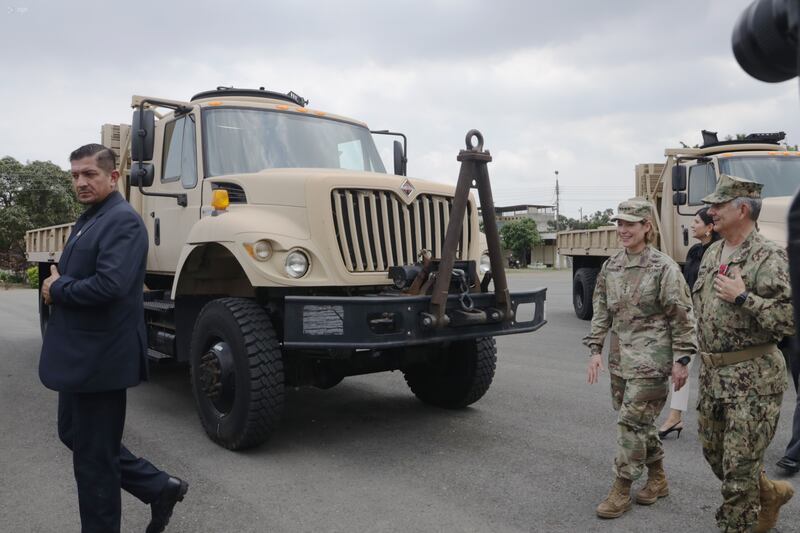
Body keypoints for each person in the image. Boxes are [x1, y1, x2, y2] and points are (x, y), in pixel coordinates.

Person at [39, 144, 188, 533]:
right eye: (74, 175)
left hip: (100, 359)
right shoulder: (91, 218)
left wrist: (58, 288)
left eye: (89, 174)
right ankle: (158, 486)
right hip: (80, 356)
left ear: (113, 177)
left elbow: (110, 285)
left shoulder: (122, 221)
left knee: (93, 463)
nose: (81, 182)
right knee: (73, 433)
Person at [693, 174, 794, 532]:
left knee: (737, 477)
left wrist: (744, 297)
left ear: (743, 209)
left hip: (753, 380)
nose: (711, 211)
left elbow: (790, 319)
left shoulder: (769, 257)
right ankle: (769, 493)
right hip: (713, 377)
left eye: (719, 205)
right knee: (717, 456)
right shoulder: (712, 254)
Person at [584, 197, 697, 519]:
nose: (622, 230)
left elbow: (681, 316)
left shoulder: (664, 268)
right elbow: (601, 311)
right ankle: (658, 478)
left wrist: (682, 359)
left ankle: (621, 488)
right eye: (619, 223)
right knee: (642, 425)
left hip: (653, 360)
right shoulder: (612, 266)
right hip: (621, 361)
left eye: (630, 224)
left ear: (647, 227)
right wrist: (595, 350)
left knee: (630, 423)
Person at [659, 207, 720, 438]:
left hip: (713, 320)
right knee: (681, 363)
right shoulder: (695, 250)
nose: (692, 225)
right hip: (692, 318)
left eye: (696, 221)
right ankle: (675, 417)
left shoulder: (720, 251)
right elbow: (686, 284)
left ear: (710, 227)